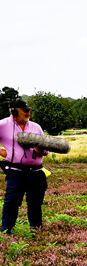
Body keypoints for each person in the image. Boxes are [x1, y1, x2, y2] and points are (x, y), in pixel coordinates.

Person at [0, 98, 48, 235]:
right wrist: (2, 152)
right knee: (12, 202)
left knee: (35, 204)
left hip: (37, 173)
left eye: (29, 111)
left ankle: (36, 232)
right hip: (16, 172)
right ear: (14, 111)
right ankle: (6, 232)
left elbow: (46, 151)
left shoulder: (36, 127)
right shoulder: (3, 125)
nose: (28, 114)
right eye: (25, 111)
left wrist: (40, 150)